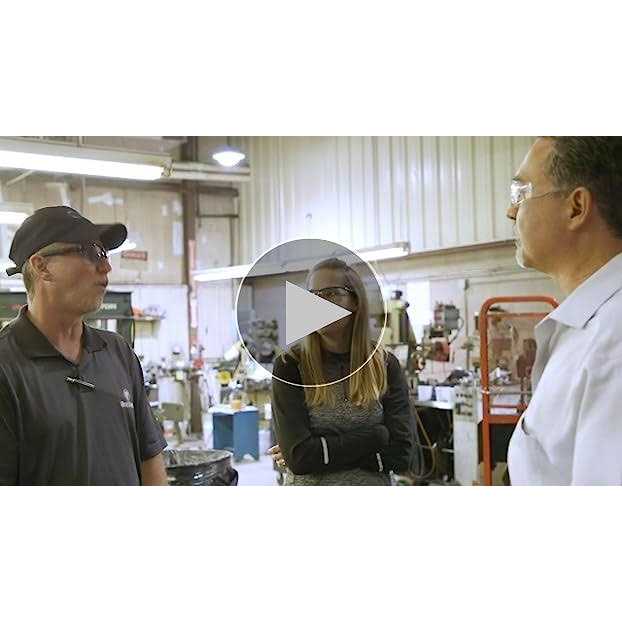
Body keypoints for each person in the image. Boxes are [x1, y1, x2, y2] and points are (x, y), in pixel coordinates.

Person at [0, 206, 168, 485]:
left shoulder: (118, 352)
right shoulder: (7, 366)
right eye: (91, 252)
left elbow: (149, 457)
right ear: (42, 266)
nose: (106, 267)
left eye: (105, 254)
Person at [506, 137, 622, 485]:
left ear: (576, 207)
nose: (511, 211)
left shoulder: (613, 341)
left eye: (521, 193)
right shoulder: (587, 328)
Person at [269, 258, 413, 485]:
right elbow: (300, 458)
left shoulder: (384, 364)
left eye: (331, 294)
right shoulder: (290, 366)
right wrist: (376, 436)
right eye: (313, 295)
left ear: (355, 301)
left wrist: (320, 451)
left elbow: (402, 455)